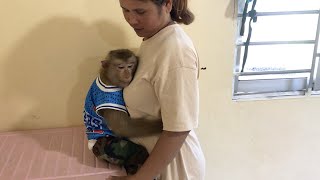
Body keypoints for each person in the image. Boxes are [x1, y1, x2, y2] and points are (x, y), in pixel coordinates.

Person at [107, 0, 205, 179]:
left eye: (140, 12)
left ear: (167, 4)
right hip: (152, 164)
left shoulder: (175, 50)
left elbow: (178, 129)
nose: (131, 19)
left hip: (175, 169)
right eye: (125, 10)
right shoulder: (153, 39)